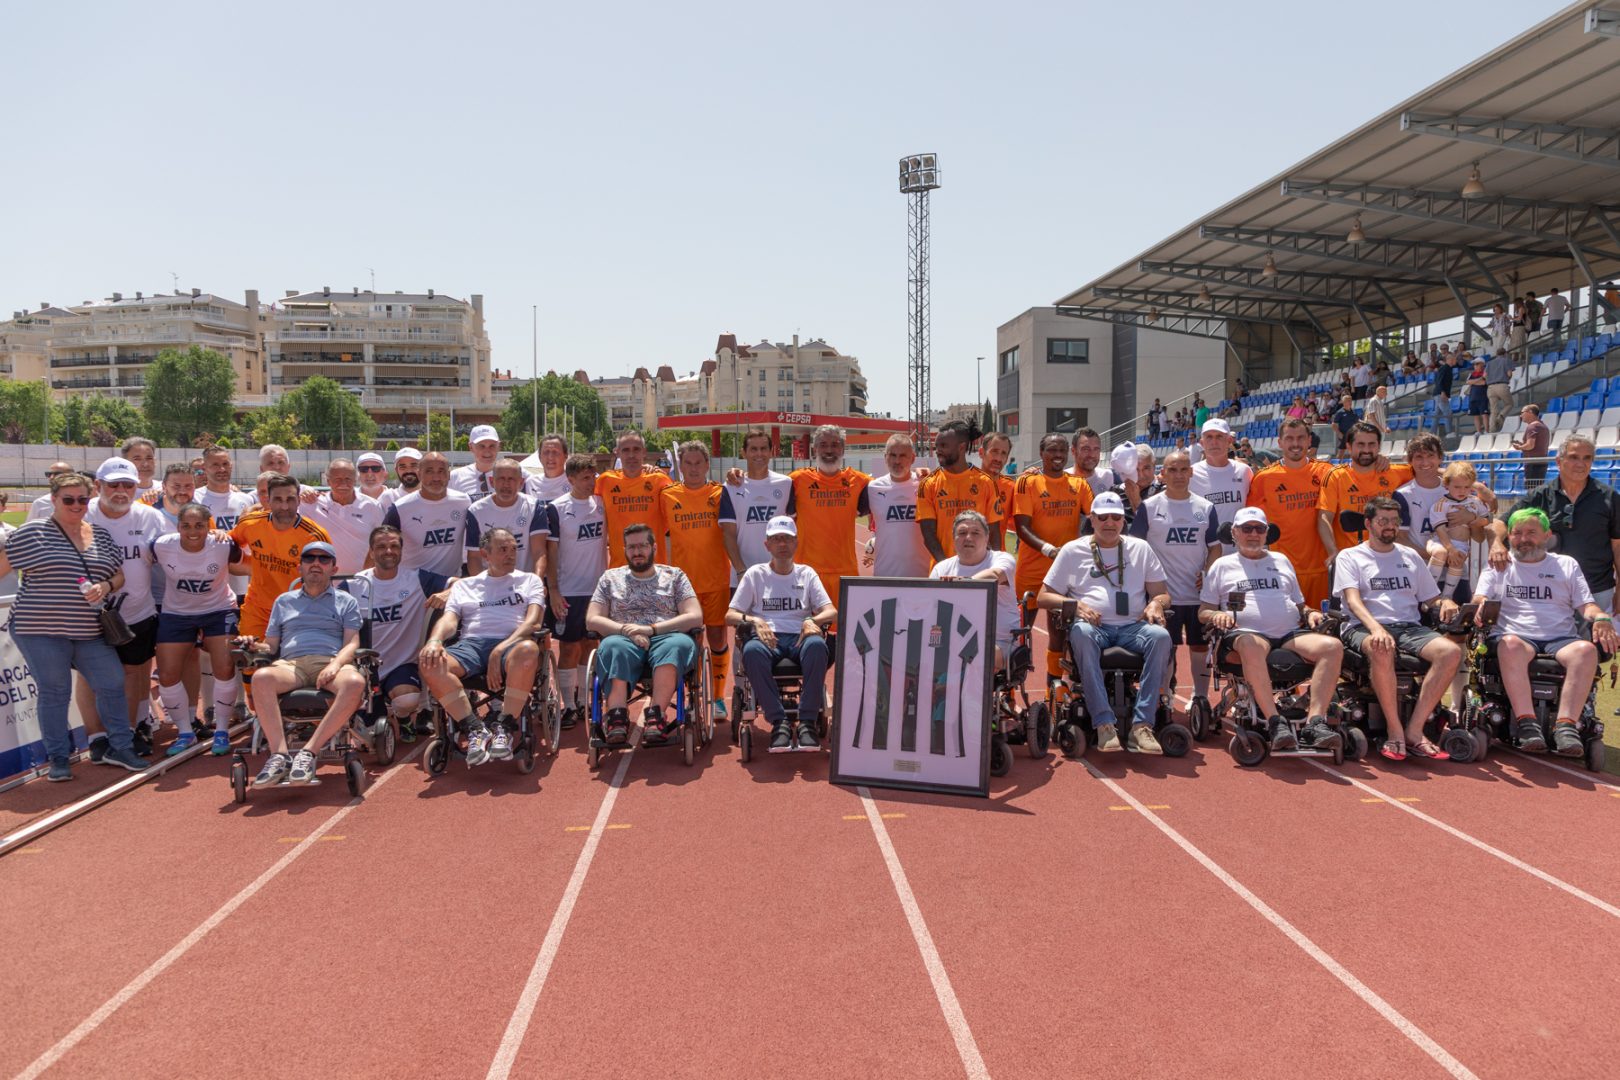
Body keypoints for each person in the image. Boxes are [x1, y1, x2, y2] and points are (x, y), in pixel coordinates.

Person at [0, 472, 147, 780]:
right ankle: (58, 759)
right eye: (68, 499)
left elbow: (119, 575)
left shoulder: (100, 534)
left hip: (90, 630)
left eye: (83, 499)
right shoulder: (32, 533)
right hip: (39, 628)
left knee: (111, 681)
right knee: (55, 691)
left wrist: (105, 586)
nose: (77, 505)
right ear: (53, 500)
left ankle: (120, 746)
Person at [1474, 507, 1620, 755]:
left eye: (1531, 532)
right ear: (1509, 536)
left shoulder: (1566, 564)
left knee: (1585, 650)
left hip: (1559, 638)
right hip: (1515, 635)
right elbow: (1479, 598)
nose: (1523, 538)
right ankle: (1526, 722)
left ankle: (1566, 726)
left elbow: (1587, 605)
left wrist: (1602, 618)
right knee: (1510, 645)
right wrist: (1480, 608)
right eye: (1517, 533)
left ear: (1547, 535)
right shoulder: (1498, 565)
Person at [1036, 491, 1171, 754]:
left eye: (1116, 517)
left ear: (1123, 520)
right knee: (1082, 634)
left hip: (1133, 626)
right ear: (1092, 519)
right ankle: (1104, 723)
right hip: (1093, 628)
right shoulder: (1073, 550)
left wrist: (1156, 603)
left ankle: (1142, 725)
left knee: (1162, 637)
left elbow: (1163, 593)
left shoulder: (1140, 548)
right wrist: (1076, 606)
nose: (1110, 523)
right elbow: (1043, 596)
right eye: (1103, 517)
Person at [1199, 506, 1343, 751]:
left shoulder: (1282, 560)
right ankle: (1276, 722)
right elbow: (1203, 612)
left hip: (1288, 634)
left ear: (1267, 533)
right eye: (1247, 529)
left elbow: (1299, 604)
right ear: (1234, 532)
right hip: (1245, 635)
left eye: (1259, 529)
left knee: (1333, 646)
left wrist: (1310, 613)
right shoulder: (1222, 565)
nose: (1253, 534)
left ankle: (1315, 722)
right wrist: (1217, 615)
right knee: (1251, 644)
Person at [1332, 496, 1461, 761]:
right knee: (1382, 646)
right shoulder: (1350, 556)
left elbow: (1430, 599)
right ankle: (1394, 730)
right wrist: (1377, 629)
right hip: (1363, 625)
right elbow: (1353, 601)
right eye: (1383, 521)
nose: (1389, 526)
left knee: (1450, 652)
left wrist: (1445, 601)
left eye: (1394, 521)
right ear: (1369, 523)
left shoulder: (1410, 555)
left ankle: (1414, 729)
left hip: (1409, 626)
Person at [240, 541, 367, 786]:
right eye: (309, 559)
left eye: (323, 559)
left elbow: (352, 643)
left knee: (355, 682)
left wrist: (336, 665)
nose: (316, 564)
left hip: (330, 660)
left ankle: (308, 753)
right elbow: (271, 646)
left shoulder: (346, 601)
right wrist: (255, 646)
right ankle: (280, 755)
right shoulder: (283, 601)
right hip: (292, 663)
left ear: (333, 568)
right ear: (300, 567)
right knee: (261, 677)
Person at [419, 527, 547, 766]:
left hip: (513, 642)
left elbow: (533, 621)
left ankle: (505, 728)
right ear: (485, 554)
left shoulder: (530, 580)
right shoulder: (464, 585)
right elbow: (449, 620)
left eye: (513, 549)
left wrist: (500, 649)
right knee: (430, 661)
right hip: (472, 644)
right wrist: (435, 640)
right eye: (502, 549)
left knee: (529, 650)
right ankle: (475, 729)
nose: (510, 554)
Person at [584, 523, 703, 745]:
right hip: (623, 637)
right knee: (612, 647)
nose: (637, 552)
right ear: (624, 550)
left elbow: (695, 616)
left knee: (675, 646)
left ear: (654, 547)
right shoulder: (610, 578)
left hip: (666, 634)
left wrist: (651, 630)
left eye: (642, 546)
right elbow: (592, 619)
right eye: (631, 547)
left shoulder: (674, 576)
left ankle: (655, 716)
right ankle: (617, 717)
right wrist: (625, 630)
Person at [726, 515, 836, 751]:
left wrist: (811, 620)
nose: (782, 544)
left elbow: (831, 611)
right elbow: (731, 615)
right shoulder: (755, 574)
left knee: (818, 646)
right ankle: (779, 722)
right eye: (776, 539)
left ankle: (807, 721)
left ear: (796, 543)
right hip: (768, 639)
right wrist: (755, 620)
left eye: (787, 539)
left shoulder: (806, 573)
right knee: (752, 650)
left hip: (800, 638)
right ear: (767, 545)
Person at [85, 457, 166, 755]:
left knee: (134, 673)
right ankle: (96, 738)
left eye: (127, 485)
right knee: (87, 677)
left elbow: (169, 553)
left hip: (137, 611)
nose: (121, 491)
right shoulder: (83, 514)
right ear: (98, 486)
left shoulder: (149, 517)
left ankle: (128, 733)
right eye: (113, 484)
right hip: (87, 615)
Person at [1487, 434, 1620, 613]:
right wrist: (1496, 545)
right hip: (1550, 591)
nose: (1581, 464)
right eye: (1574, 457)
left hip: (1597, 589)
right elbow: (1499, 523)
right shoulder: (1539, 495)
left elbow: (1618, 546)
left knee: (1596, 640)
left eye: (1586, 458)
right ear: (1559, 461)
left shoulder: (1609, 497)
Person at [1131, 449, 1221, 709]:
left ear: (1191, 472)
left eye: (1184, 469)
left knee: (1199, 648)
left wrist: (1208, 573)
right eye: (1173, 470)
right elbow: (1136, 549)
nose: (1179, 475)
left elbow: (1215, 546)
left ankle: (1200, 697)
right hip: (1162, 597)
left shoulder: (1205, 508)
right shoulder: (1149, 507)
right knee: (1164, 650)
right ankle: (1164, 698)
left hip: (1197, 596)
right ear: (1163, 473)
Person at [152, 503, 243, 756]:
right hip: (177, 613)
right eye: (186, 526)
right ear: (178, 526)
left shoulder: (224, 545)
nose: (193, 531)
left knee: (224, 667)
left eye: (200, 525)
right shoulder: (161, 545)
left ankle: (222, 730)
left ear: (208, 526)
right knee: (167, 675)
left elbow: (246, 561)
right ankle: (185, 732)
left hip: (219, 610)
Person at [348, 526, 452, 745]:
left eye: (394, 546)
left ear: (402, 550)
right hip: (365, 666)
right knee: (362, 741)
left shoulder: (416, 579)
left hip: (401, 665)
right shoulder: (355, 584)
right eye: (382, 546)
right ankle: (376, 711)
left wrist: (447, 592)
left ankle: (404, 718)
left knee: (407, 699)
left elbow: (462, 582)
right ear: (371, 551)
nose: (389, 551)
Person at [658, 441, 738, 720]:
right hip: (682, 586)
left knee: (717, 637)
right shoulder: (666, 495)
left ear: (707, 465)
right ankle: (693, 693)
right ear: (680, 465)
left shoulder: (720, 492)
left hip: (716, 579)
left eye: (698, 463)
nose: (692, 468)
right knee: (689, 640)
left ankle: (717, 697)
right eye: (687, 463)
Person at [1012, 433, 1092, 687]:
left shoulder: (1079, 484)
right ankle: (1011, 693)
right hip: (1031, 572)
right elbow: (1021, 527)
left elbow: (1095, 520)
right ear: (1041, 452)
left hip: (1064, 575)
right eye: (1051, 451)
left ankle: (1052, 692)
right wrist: (1048, 549)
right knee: (1019, 634)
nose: (1057, 455)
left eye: (1061, 450)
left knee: (1058, 636)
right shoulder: (1027, 482)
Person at [544, 453, 607, 729]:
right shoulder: (556, 508)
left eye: (593, 475)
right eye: (584, 477)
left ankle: (583, 700)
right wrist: (554, 591)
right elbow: (551, 552)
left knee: (591, 645)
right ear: (569, 479)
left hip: (597, 590)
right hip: (568, 590)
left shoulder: (602, 504)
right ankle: (567, 704)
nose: (591, 481)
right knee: (569, 648)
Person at [230, 473, 333, 640]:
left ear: (299, 500)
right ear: (267, 500)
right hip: (258, 610)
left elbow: (325, 580)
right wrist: (217, 535)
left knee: (290, 664)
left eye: (290, 499)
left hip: (298, 611)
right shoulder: (250, 524)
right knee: (251, 660)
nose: (284, 506)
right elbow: (230, 544)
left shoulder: (314, 536)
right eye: (278, 499)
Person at [1248, 417, 1336, 611]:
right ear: (1280, 443)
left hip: (1323, 569)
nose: (1295, 444)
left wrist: (1381, 460)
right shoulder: (1264, 478)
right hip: (1283, 571)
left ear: (1309, 440)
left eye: (1300, 438)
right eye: (1289, 438)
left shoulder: (1327, 473)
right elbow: (1252, 526)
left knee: (1326, 629)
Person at [785, 424, 870, 607]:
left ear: (843, 448)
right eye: (823, 445)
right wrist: (737, 476)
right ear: (814, 449)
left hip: (845, 571)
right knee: (808, 631)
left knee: (843, 631)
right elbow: (763, 484)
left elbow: (893, 484)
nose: (829, 450)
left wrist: (918, 474)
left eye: (835, 444)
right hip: (806, 572)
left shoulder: (860, 481)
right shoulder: (796, 480)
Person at [930, 510, 1019, 668]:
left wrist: (961, 584)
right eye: (962, 533)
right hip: (952, 642)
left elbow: (995, 574)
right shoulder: (941, 569)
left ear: (987, 538)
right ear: (954, 538)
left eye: (976, 533)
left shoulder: (1002, 559)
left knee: (973, 654)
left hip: (997, 642)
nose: (968, 538)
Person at [1318, 422, 1414, 564]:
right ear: (1349, 447)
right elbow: (1324, 517)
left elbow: (1426, 470)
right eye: (1361, 444)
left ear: (1378, 447)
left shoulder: (1393, 472)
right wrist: (1333, 552)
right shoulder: (1336, 476)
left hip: (1386, 558)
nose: (1366, 450)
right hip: (1351, 560)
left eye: (1371, 444)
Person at [917, 420, 1003, 563]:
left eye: (943, 446)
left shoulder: (986, 482)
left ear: (962, 447)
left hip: (979, 572)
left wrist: (994, 567)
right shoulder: (928, 484)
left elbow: (993, 532)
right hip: (944, 573)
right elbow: (928, 535)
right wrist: (947, 568)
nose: (938, 450)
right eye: (936, 446)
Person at [382, 451, 473, 579]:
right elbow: (379, 546)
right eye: (429, 471)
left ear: (449, 474)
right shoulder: (400, 509)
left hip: (451, 583)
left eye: (441, 471)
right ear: (419, 474)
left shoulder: (464, 502)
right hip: (413, 586)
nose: (436, 478)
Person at [595, 429, 673, 567]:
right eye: (625, 450)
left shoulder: (660, 480)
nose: (631, 455)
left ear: (644, 451)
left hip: (654, 568)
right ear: (617, 452)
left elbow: (672, 520)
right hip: (619, 570)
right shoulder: (605, 481)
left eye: (636, 449)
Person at [723, 428, 792, 576]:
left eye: (763, 449)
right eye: (753, 449)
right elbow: (728, 534)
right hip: (742, 576)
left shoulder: (786, 484)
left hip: (779, 575)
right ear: (744, 453)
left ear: (771, 452)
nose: (759, 454)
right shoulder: (731, 487)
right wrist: (741, 571)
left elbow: (793, 531)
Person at [863, 433, 932, 578]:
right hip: (885, 575)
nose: (897, 461)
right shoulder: (872, 488)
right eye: (892, 455)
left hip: (923, 575)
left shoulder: (925, 484)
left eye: (903, 456)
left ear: (912, 458)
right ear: (885, 457)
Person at [464, 459, 544, 576]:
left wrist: (537, 582)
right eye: (501, 479)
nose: (506, 484)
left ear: (521, 483)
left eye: (511, 479)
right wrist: (483, 588)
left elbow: (539, 552)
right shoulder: (476, 511)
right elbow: (474, 557)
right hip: (491, 585)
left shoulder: (534, 507)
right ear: (492, 481)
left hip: (524, 584)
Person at [307, 458, 384, 577]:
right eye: (337, 479)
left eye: (348, 479)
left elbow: (380, 542)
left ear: (355, 480)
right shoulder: (312, 504)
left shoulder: (373, 506)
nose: (343, 484)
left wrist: (365, 575)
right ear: (328, 481)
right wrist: (304, 492)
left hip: (362, 583)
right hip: (322, 582)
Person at [1190, 418, 1252, 551]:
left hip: (1240, 554)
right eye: (1209, 437)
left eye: (1219, 437)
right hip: (1206, 556)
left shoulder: (1244, 471)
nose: (1214, 442)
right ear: (1202, 443)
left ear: (1229, 441)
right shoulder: (1191, 474)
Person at [450, 424, 505, 499]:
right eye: (481, 446)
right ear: (471, 447)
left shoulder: (515, 474)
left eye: (492, 446)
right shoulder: (455, 477)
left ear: (498, 446)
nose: (487, 451)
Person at [526, 433, 573, 503]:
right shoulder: (530, 483)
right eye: (546, 452)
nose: (550, 457)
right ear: (539, 457)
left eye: (555, 452)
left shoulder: (574, 482)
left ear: (565, 456)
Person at [1511, 403, 1551, 487]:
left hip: (1533, 463)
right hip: (1541, 462)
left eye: (1522, 412)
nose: (1521, 415)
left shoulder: (1532, 426)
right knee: (1538, 489)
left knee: (1532, 491)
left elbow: (1530, 445)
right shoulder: (1543, 426)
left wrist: (1519, 447)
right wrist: (1523, 445)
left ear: (1530, 412)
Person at [1485, 348, 1515, 433]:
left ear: (1497, 354)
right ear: (1505, 353)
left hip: (1490, 387)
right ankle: (1501, 416)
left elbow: (1485, 375)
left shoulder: (1489, 363)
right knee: (1509, 404)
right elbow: (1509, 374)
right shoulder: (1506, 360)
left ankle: (1492, 430)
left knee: (1493, 411)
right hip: (1502, 385)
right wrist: (1508, 378)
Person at [1430, 345, 1456, 439]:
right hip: (1440, 393)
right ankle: (1449, 432)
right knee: (1448, 412)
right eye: (1455, 359)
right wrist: (1443, 392)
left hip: (1439, 393)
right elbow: (1439, 381)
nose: (1456, 361)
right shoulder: (1445, 368)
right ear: (1451, 359)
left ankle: (1432, 433)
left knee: (1437, 415)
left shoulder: (1447, 368)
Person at [1465, 355, 1490, 436]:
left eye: (1477, 364)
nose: (1475, 366)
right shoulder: (1472, 374)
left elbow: (1484, 383)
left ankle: (1486, 430)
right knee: (1475, 415)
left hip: (1483, 396)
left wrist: (1474, 381)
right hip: (1473, 396)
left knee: (1484, 414)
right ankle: (1478, 431)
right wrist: (1479, 379)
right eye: (1474, 364)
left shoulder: (1486, 372)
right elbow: (1468, 382)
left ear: (1482, 364)